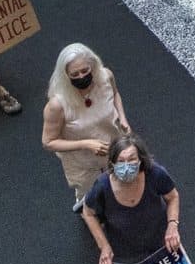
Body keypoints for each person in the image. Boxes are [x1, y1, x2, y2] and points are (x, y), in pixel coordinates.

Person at [81, 133, 183, 264]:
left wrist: (172, 224)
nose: (127, 166)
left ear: (141, 160)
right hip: (127, 249)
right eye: (121, 161)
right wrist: (104, 246)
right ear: (112, 163)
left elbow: (172, 196)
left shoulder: (155, 174)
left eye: (132, 160)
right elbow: (88, 213)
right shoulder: (102, 187)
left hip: (158, 238)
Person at [41, 43, 131, 210]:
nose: (81, 77)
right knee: (92, 198)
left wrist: (123, 119)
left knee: (119, 183)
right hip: (84, 163)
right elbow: (48, 142)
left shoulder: (105, 77)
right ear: (65, 75)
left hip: (113, 148)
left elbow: (116, 94)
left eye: (85, 71)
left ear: (93, 65)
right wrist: (86, 144)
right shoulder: (57, 105)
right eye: (74, 74)